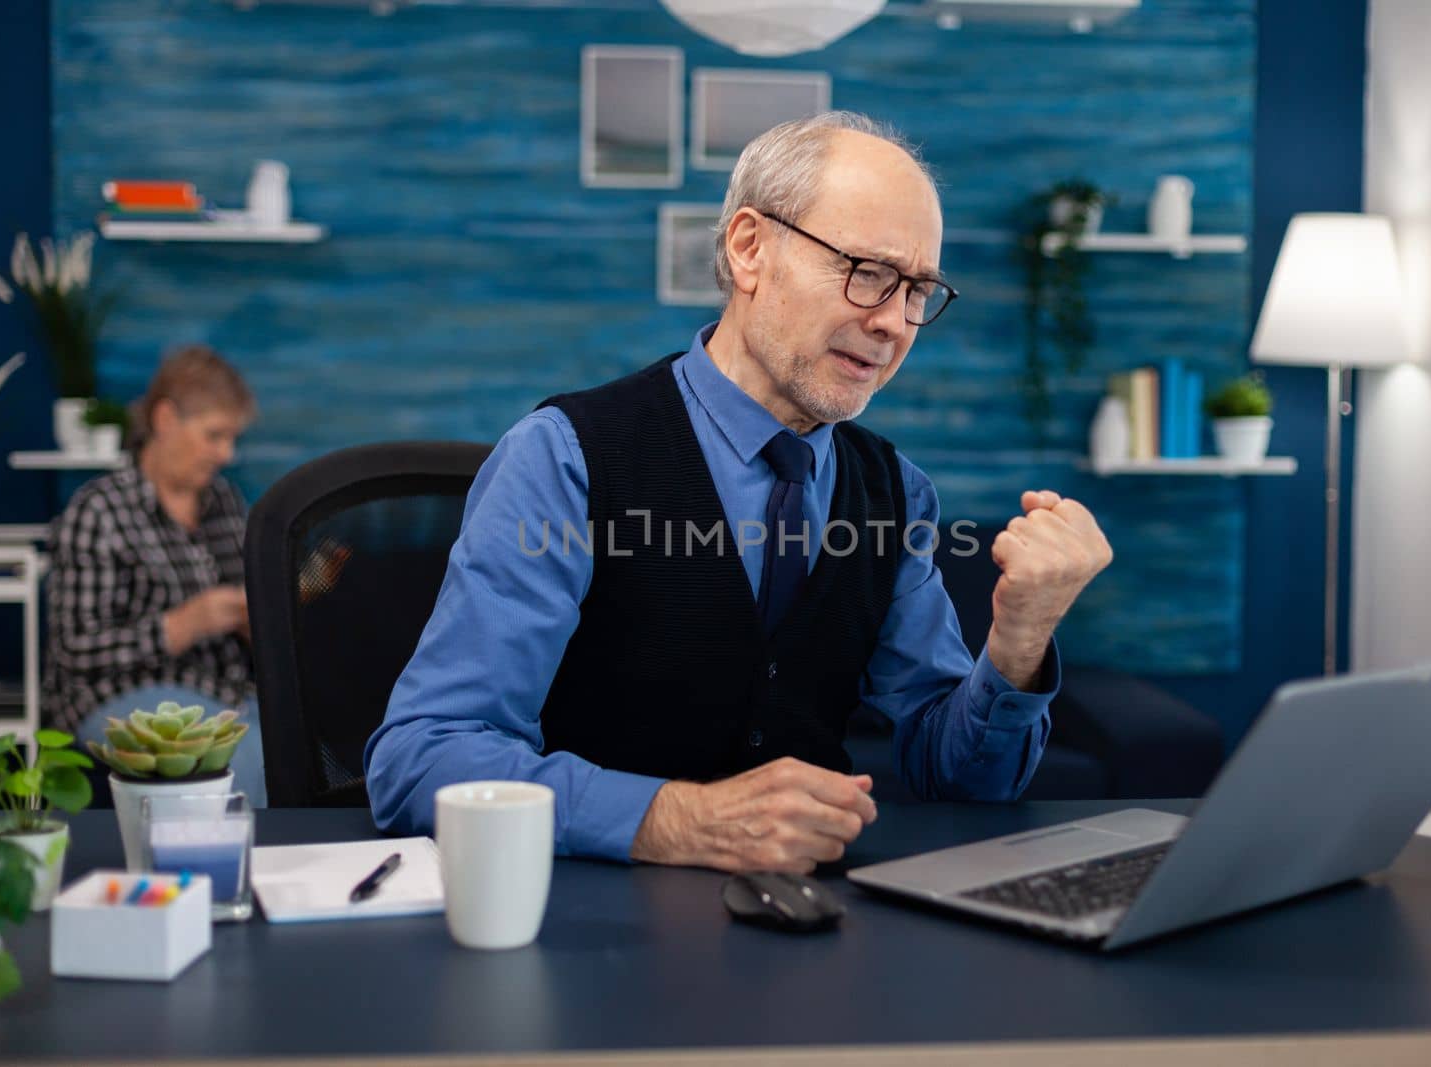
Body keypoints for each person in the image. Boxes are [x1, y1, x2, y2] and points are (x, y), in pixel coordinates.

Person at [365, 111, 1112, 871]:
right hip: (588, 935)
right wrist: (672, 818)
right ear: (750, 248)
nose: (892, 322)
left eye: (917, 289)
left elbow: (957, 778)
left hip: (812, 936)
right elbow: (422, 758)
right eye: (868, 272)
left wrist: (1019, 642)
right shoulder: (565, 457)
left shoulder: (896, 493)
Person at [44, 345, 268, 807]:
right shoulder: (99, 510)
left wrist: (253, 620)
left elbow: (249, 600)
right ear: (166, 419)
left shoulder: (224, 502)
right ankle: (233, 873)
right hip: (116, 694)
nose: (226, 453)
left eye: (232, 438)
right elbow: (75, 649)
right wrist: (183, 624)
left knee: (301, 738)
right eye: (215, 435)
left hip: (220, 692)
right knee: (244, 756)